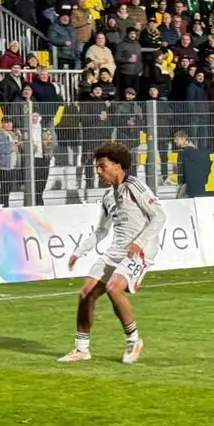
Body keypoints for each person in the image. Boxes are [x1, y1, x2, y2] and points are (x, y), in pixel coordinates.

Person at [58, 141, 165, 365]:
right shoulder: (108, 196)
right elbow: (101, 230)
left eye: (102, 166)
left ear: (117, 166)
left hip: (140, 251)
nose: (98, 171)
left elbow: (159, 216)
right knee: (85, 293)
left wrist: (140, 243)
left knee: (113, 288)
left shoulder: (135, 187)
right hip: (116, 250)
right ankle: (81, 349)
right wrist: (80, 251)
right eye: (97, 167)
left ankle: (133, 340)